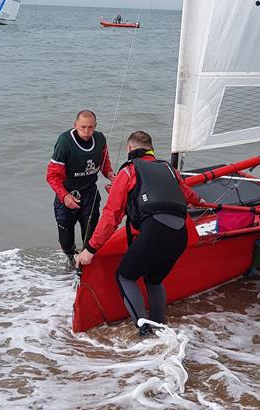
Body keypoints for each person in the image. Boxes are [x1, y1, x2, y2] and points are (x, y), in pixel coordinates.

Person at [74, 131, 206, 336]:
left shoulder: (128, 172)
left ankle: (145, 330)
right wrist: (201, 201)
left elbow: (111, 216)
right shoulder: (168, 168)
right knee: (154, 280)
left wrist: (90, 249)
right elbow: (188, 194)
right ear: (151, 149)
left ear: (129, 149)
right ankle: (161, 326)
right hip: (180, 234)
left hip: (155, 232)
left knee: (125, 276)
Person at [46, 110, 115, 267]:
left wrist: (109, 173)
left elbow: (104, 161)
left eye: (90, 127)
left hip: (89, 195)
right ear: (75, 125)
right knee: (65, 242)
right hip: (67, 194)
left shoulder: (100, 139)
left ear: (95, 126)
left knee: (90, 240)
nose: (86, 132)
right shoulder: (64, 142)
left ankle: (84, 271)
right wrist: (65, 197)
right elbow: (52, 176)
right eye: (82, 127)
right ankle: (71, 261)